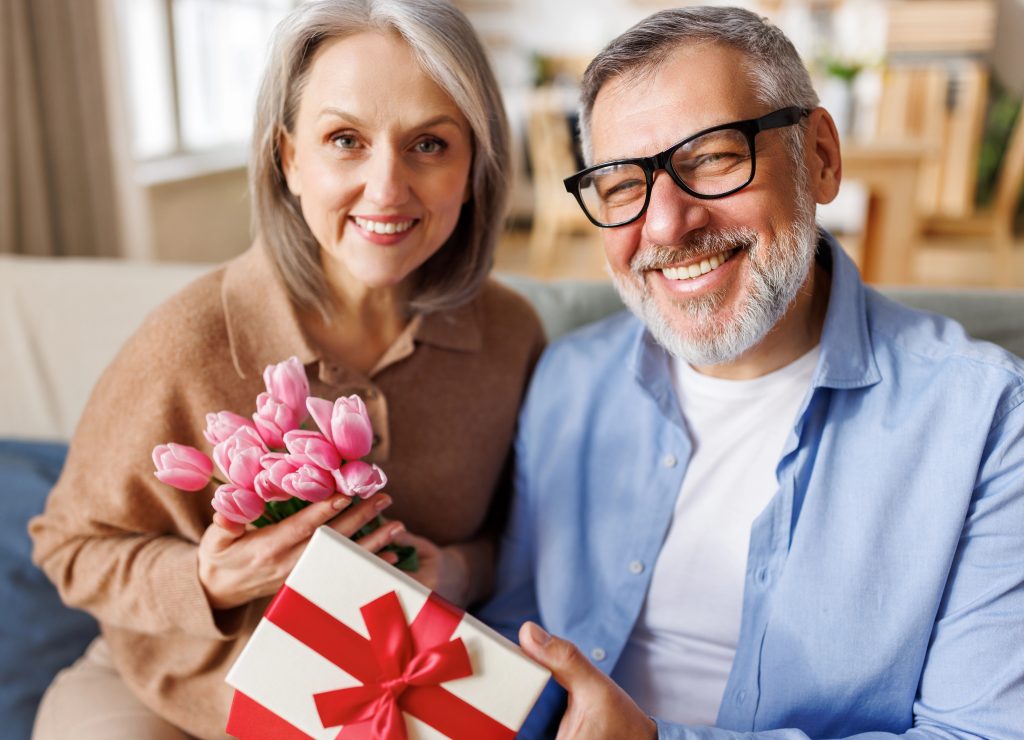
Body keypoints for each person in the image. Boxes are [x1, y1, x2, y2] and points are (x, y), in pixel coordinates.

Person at [479, 6, 1024, 739]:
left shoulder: (988, 423)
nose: (667, 224)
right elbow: (513, 631)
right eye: (622, 184)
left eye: (712, 157)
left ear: (820, 157)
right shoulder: (565, 383)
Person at [28, 1, 544, 737]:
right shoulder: (190, 339)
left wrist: (460, 572)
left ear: (475, 168)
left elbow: (527, 537)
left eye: (429, 144)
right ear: (290, 158)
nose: (386, 188)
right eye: (345, 140)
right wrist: (206, 579)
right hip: (172, 695)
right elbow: (67, 547)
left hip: (395, 695)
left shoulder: (510, 337)